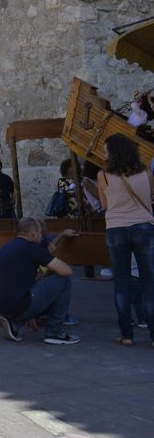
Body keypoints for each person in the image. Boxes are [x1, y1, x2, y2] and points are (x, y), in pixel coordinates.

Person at [96, 133, 154, 347]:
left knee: (121, 281)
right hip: (143, 226)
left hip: (117, 228)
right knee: (149, 280)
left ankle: (127, 334)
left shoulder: (104, 175)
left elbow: (104, 203)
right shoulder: (146, 172)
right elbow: (150, 197)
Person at [0, 217, 80, 345]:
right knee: (63, 281)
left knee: (44, 283)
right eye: (41, 233)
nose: (42, 236)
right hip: (17, 303)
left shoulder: (7, 247)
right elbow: (66, 270)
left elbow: (26, 280)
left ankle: (14, 323)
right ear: (34, 233)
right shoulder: (32, 248)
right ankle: (54, 332)